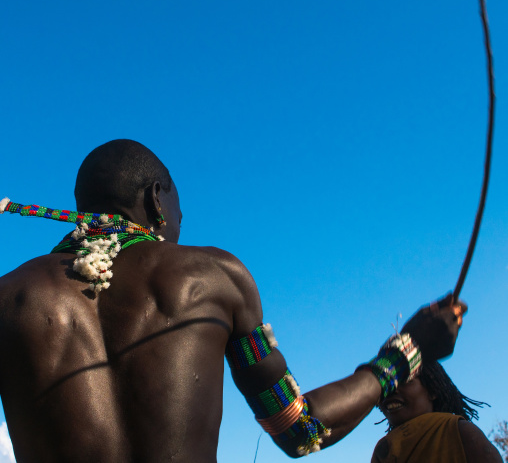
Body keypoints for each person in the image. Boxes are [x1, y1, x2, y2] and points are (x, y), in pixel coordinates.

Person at [0, 139, 465, 462]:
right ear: (157, 200)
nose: (181, 220)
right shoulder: (215, 276)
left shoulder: (9, 297)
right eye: (180, 206)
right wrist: (404, 354)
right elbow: (300, 430)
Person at [372, 361, 502, 462]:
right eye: (386, 386)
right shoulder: (385, 447)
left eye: (405, 381)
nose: (391, 391)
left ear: (432, 390)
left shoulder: (456, 429)